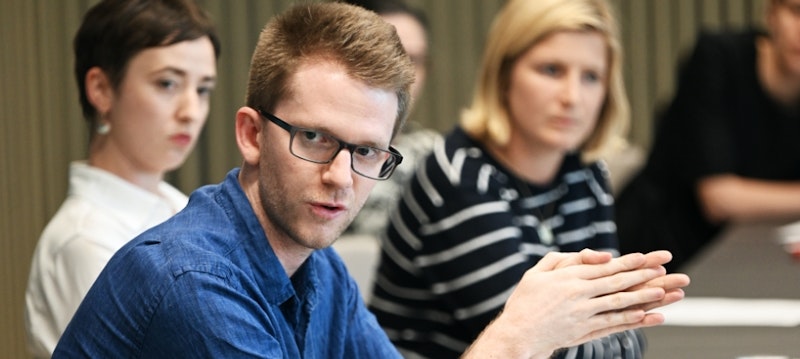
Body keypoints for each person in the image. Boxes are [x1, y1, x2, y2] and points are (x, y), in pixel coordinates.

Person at [53, 3, 688, 358]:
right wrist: (517, 338)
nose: (339, 178)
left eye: (367, 153)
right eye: (314, 139)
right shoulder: (192, 285)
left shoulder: (318, 268)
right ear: (251, 134)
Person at [368, 0, 659, 357]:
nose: (572, 97)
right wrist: (607, 326)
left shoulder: (586, 172)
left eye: (591, 77)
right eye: (551, 70)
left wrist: (611, 323)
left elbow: (625, 325)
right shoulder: (459, 178)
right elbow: (534, 342)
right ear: (504, 76)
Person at [23, 0, 220, 357]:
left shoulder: (182, 207)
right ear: (100, 89)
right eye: (167, 83)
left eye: (202, 89)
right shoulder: (85, 241)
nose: (191, 111)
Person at [615, 0, 800, 272]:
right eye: (796, 12)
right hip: (665, 249)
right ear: (771, 14)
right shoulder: (718, 57)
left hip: (749, 251)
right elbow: (720, 199)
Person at [341, 0, 441, 238]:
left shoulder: (438, 155)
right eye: (390, 57)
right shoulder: (314, 152)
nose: (403, 76)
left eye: (414, 61)